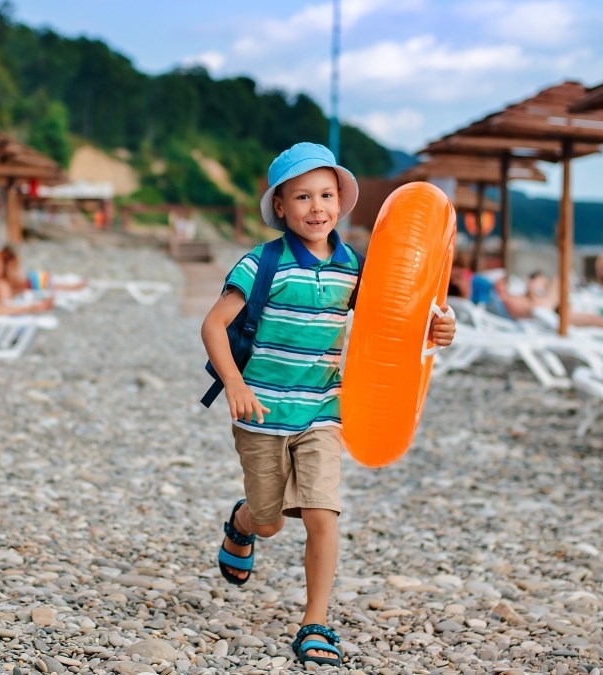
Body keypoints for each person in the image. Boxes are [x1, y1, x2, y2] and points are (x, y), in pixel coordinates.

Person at [201, 143, 456, 668]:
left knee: (322, 514)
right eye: (302, 197)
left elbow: (394, 325)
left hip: (322, 410)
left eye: (326, 194)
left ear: (340, 200)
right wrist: (234, 384)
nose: (316, 207)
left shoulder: (354, 269)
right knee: (271, 520)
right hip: (263, 413)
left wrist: (439, 327)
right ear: (280, 207)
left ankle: (314, 623)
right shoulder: (261, 264)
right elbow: (212, 325)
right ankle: (242, 526)